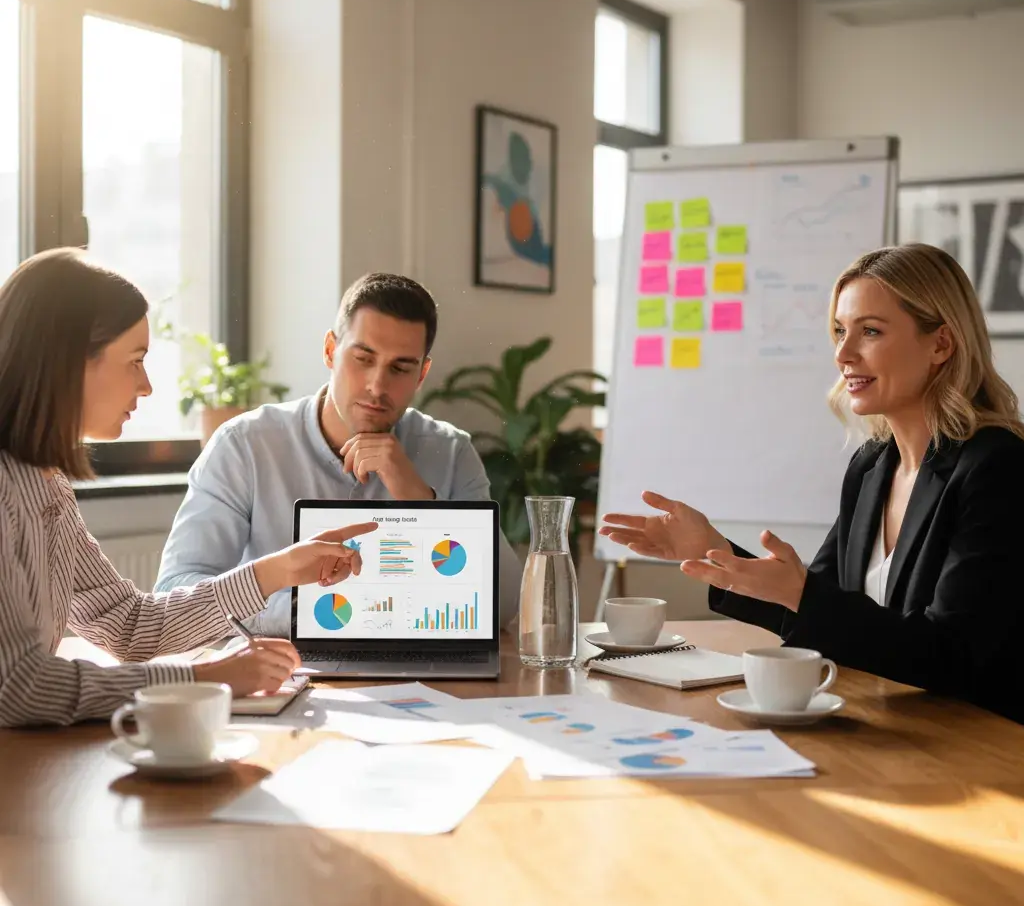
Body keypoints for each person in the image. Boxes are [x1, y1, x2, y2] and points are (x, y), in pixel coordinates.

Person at [600, 243, 1024, 723]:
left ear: (941, 344)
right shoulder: (872, 466)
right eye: (840, 331)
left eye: (870, 331)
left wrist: (803, 594)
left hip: (982, 746)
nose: (844, 353)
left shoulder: (998, 467)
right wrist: (714, 551)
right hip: (889, 728)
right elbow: (817, 607)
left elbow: (954, 657)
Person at [0, 248, 377, 728]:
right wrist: (203, 678)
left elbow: (129, 625)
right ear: (70, 361)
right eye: (135, 361)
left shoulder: (44, 482)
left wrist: (278, 570)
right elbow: (17, 686)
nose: (147, 387)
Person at [155, 272, 521, 634]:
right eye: (363, 358)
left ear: (422, 373)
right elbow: (177, 591)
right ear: (331, 351)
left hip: (424, 673)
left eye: (400, 367)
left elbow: (505, 604)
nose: (378, 386)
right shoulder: (244, 445)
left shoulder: (452, 452)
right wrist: (308, 612)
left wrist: (420, 501)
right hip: (285, 666)